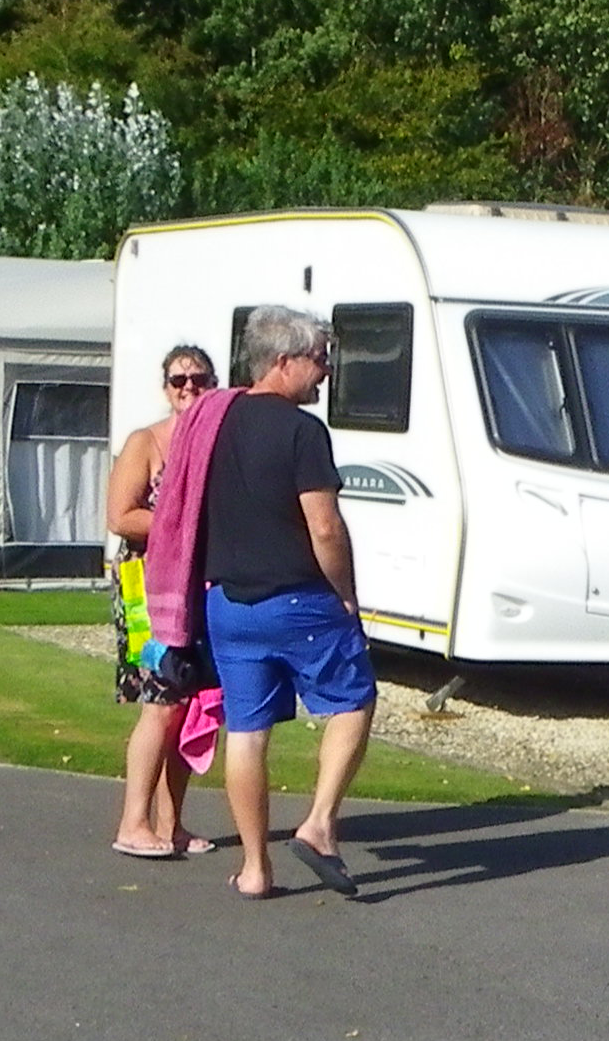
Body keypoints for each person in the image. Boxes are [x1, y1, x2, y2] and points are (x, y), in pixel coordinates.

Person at [199, 306, 376, 900]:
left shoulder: (213, 422)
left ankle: (255, 867)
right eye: (320, 360)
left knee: (246, 733)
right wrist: (347, 594)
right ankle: (320, 823)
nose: (325, 373)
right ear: (284, 361)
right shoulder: (302, 432)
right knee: (354, 699)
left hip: (227, 603)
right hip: (296, 600)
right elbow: (323, 527)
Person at [106, 344, 220, 858]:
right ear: (165, 386)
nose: (189, 388)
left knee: (189, 706)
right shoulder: (145, 443)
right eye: (179, 381)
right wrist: (183, 525)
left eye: (199, 380)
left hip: (198, 588)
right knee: (160, 702)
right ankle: (134, 823)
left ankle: (172, 825)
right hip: (147, 586)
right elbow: (120, 516)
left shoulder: (214, 443)